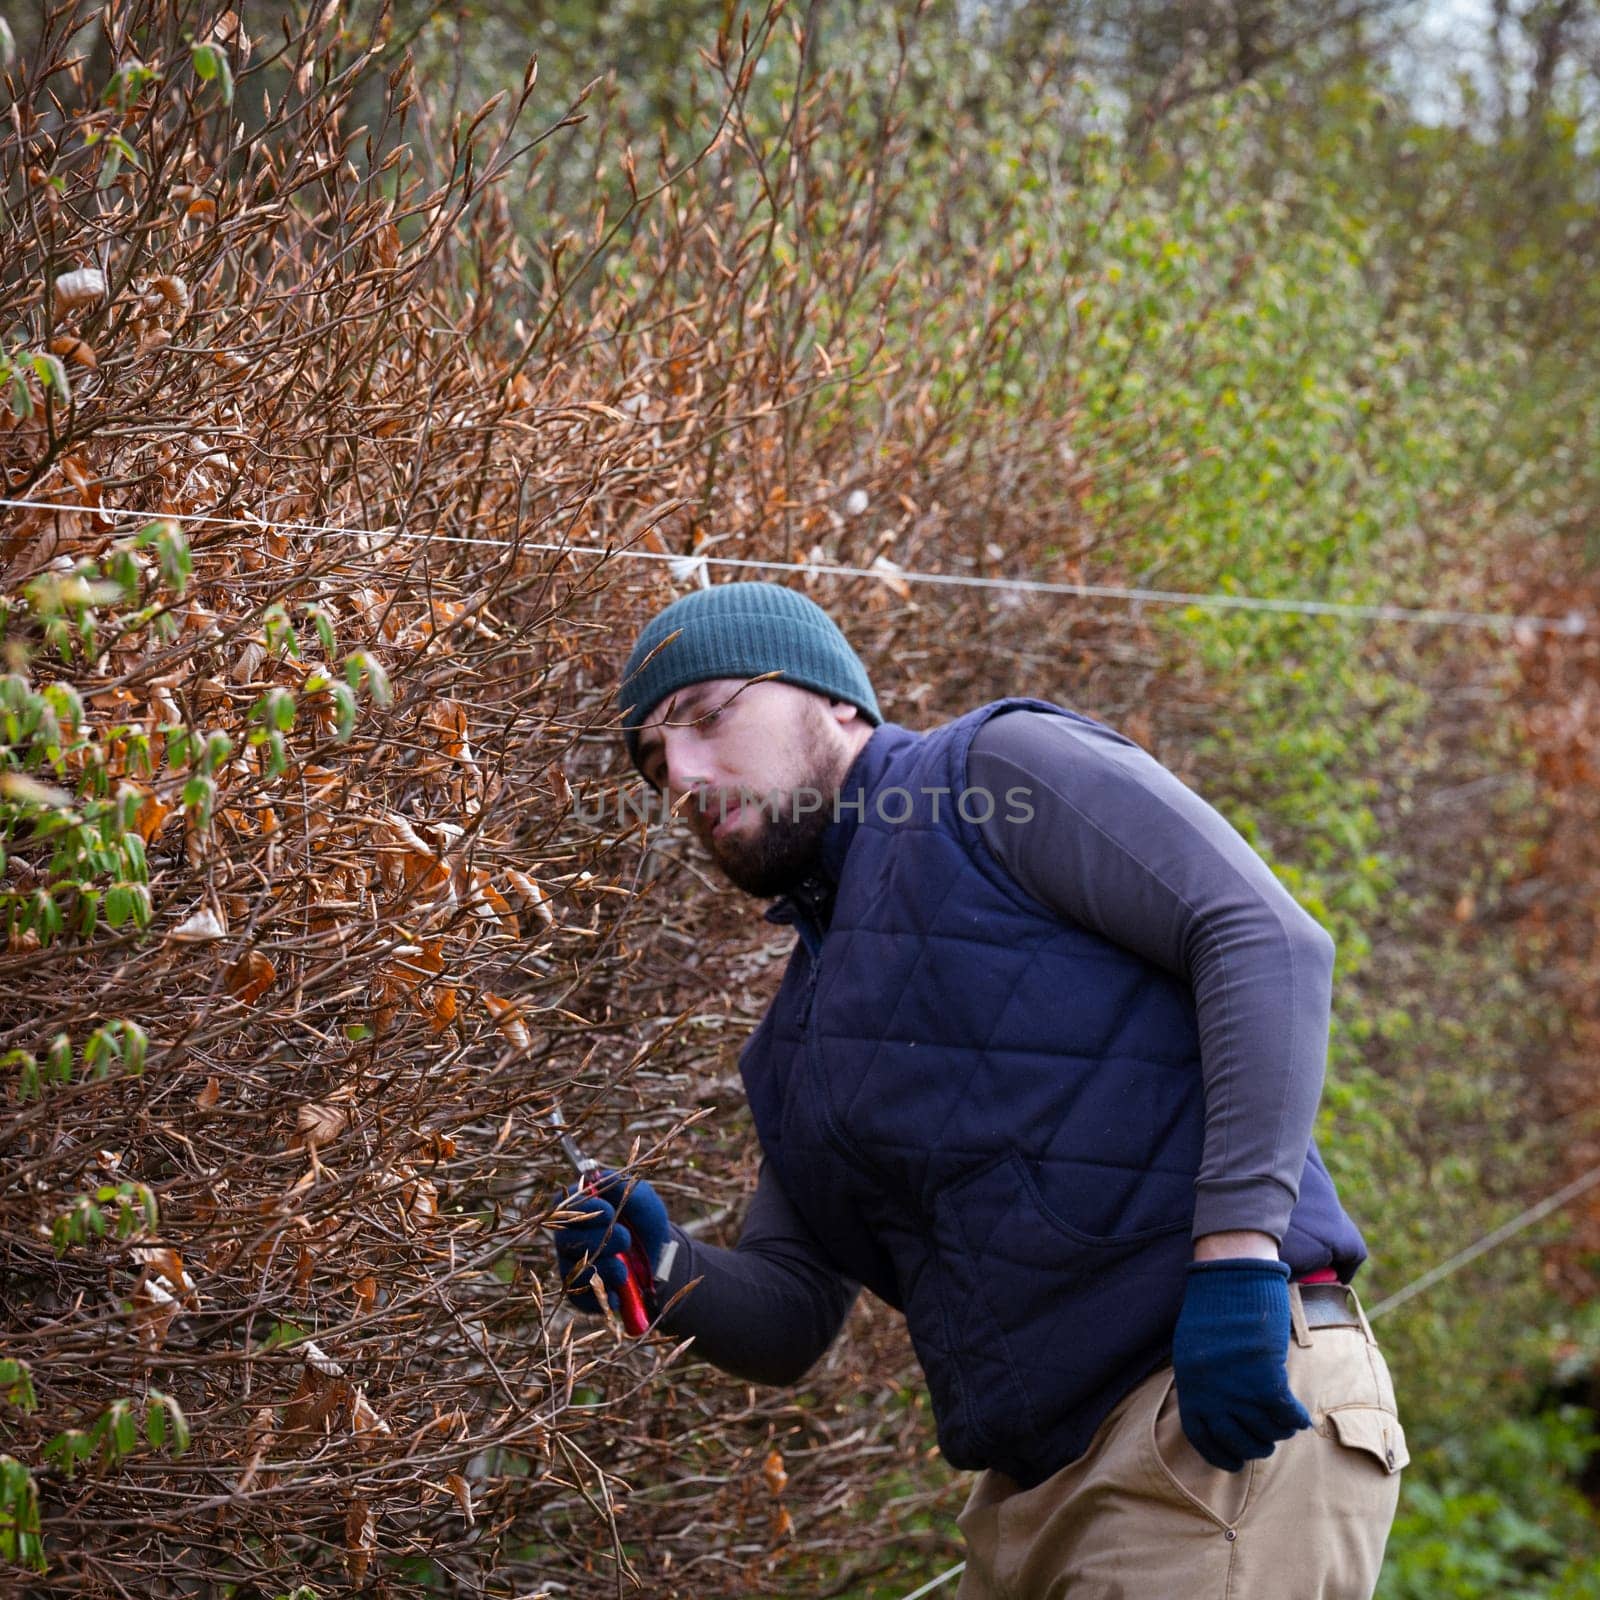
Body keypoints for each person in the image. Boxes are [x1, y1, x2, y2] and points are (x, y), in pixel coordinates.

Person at [550, 580, 1406, 1598]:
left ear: (834, 699)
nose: (683, 774)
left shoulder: (992, 772)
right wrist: (660, 1268)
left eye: (706, 715)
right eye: (655, 762)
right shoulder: (789, 1046)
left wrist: (1234, 1260)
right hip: (1026, 1503)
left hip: (1215, 1406)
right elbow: (789, 1315)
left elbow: (1265, 940)